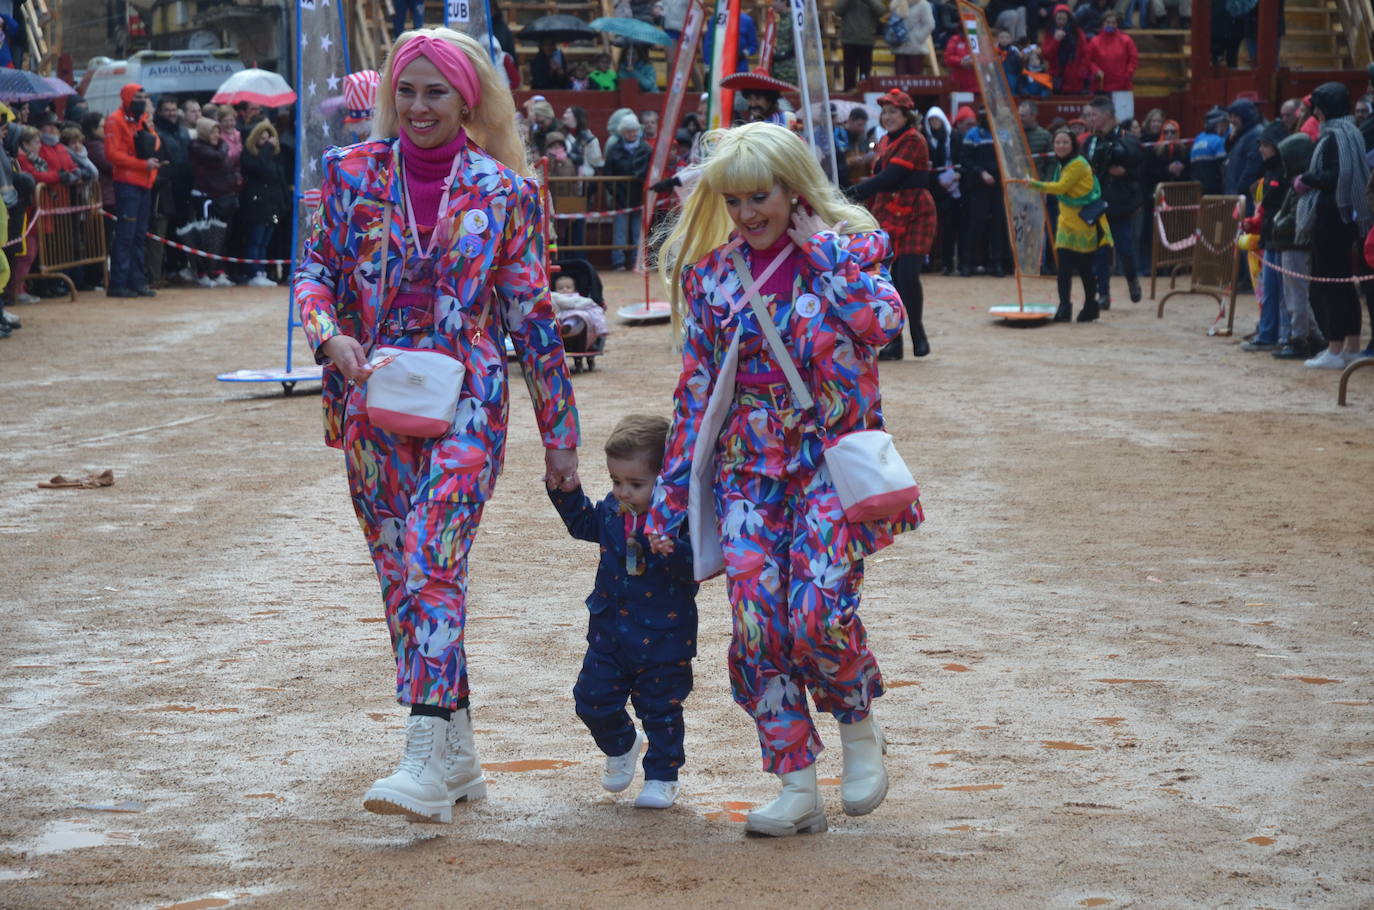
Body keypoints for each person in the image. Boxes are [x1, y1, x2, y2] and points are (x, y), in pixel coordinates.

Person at [294, 26, 579, 824]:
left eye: (436, 93)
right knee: (400, 579)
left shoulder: (506, 192)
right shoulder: (348, 175)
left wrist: (561, 432)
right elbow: (315, 273)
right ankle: (458, 754)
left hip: (468, 403)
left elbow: (533, 317)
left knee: (431, 557)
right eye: (407, 91)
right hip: (372, 399)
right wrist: (328, 335)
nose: (419, 108)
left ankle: (422, 749)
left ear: (468, 99)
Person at [649, 121, 921, 838]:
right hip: (746, 468)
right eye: (733, 201)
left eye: (760, 196)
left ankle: (860, 728)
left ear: (793, 187)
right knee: (756, 622)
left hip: (829, 461)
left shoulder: (851, 246)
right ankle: (794, 780)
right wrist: (672, 494)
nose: (746, 214)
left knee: (818, 613)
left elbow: (881, 323)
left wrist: (822, 248)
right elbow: (696, 392)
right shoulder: (711, 274)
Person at [547, 414, 698, 811]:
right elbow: (583, 524)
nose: (623, 492)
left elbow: (701, 566)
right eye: (616, 481)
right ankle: (621, 744)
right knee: (590, 698)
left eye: (635, 484)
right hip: (610, 634)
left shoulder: (681, 522)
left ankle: (663, 777)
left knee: (662, 711)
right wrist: (566, 493)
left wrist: (674, 550)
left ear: (666, 481)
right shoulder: (614, 512)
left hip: (665, 639)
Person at [851, 89, 935, 359]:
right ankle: (895, 342)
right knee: (890, 279)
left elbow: (892, 176)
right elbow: (881, 179)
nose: (887, 117)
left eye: (893, 112)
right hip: (887, 210)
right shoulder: (886, 140)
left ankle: (918, 334)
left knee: (908, 276)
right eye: (885, 112)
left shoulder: (914, 139)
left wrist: (852, 192)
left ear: (907, 115)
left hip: (913, 210)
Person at [1294, 81, 1371, 369]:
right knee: (1345, 285)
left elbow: (1336, 176)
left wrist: (1306, 179)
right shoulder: (1352, 132)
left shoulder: (1334, 137)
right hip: (1348, 217)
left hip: (1332, 218)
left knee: (1330, 284)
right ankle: (1351, 345)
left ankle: (1335, 349)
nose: (1314, 111)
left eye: (1317, 106)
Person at [1022, 128, 1111, 321]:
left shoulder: (1078, 164)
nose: (1060, 146)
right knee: (1063, 269)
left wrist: (1035, 184)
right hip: (1066, 222)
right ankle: (1064, 307)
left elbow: (1061, 188)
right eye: (1057, 142)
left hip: (1083, 224)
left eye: (1065, 142)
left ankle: (1090, 305)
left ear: (1073, 145)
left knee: (1085, 269)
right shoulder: (1061, 165)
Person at [1082, 94, 1143, 306]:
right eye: (1087, 115)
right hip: (1097, 202)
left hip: (1120, 203)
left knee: (1124, 247)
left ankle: (1132, 279)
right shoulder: (1090, 141)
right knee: (1100, 250)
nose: (1089, 119)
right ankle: (1103, 295)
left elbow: (1138, 165)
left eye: (1093, 115)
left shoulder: (1126, 137)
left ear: (1107, 115)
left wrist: (1125, 171)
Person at [103, 83, 161, 298]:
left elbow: (155, 143)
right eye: (138, 96)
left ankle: (137, 281)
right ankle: (118, 282)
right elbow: (112, 154)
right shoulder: (115, 120)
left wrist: (149, 131)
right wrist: (141, 164)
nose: (142, 100)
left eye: (144, 97)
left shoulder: (142, 120)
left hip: (144, 183)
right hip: (128, 183)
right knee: (126, 236)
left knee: (138, 235)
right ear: (127, 97)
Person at [1238, 121, 1291, 352]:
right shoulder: (1269, 169)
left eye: (1266, 145)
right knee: (1270, 290)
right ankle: (1269, 333)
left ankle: (1285, 336)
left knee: (1283, 292)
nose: (1261, 149)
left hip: (1282, 238)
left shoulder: (1285, 170)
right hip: (1269, 237)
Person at [1269, 132, 1322, 360]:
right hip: (1292, 245)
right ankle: (1316, 337)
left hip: (1294, 245)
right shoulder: (1298, 183)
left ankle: (1299, 338)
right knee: (1298, 294)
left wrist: (1278, 225)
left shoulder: (1302, 186)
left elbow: (1295, 217)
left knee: (1296, 296)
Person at [959, 110, 1011, 277]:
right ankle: (968, 263)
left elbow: (1008, 157)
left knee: (998, 224)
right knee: (976, 224)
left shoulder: (1002, 133)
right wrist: (981, 172)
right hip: (978, 185)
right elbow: (965, 159)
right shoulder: (972, 134)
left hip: (998, 185)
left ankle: (996, 263)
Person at [239, 120, 288, 287]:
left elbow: (279, 181)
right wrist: (267, 149)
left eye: (269, 138)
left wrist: (283, 204)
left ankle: (262, 271)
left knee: (265, 242)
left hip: (272, 206)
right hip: (256, 206)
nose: (266, 142)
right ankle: (254, 272)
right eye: (262, 139)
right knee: (255, 241)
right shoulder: (248, 156)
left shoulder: (275, 158)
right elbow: (260, 168)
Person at [605, 114, 650, 270]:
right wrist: (615, 193)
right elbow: (608, 174)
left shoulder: (645, 148)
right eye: (629, 131)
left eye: (634, 131)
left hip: (640, 196)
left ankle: (637, 261)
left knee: (638, 231)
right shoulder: (613, 149)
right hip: (621, 196)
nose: (632, 134)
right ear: (622, 132)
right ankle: (618, 262)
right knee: (620, 232)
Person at [927, 106, 961, 275]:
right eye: (931, 121)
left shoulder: (953, 137)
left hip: (954, 188)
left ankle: (951, 263)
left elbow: (960, 160)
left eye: (937, 120)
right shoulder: (927, 140)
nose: (935, 124)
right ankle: (933, 263)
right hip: (935, 189)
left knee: (952, 228)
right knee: (935, 229)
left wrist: (957, 174)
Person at [1087, 12, 1137, 121]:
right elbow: (1088, 61)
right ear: (1103, 24)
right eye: (1108, 22)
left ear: (1117, 24)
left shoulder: (1126, 40)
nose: (1111, 25)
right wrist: (1096, 70)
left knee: (1124, 119)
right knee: (1102, 119)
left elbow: (1133, 59)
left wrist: (1127, 74)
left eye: (1113, 22)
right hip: (1102, 87)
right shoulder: (1095, 41)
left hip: (1122, 86)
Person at [834, 0, 887, 91]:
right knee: (849, 71)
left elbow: (881, 11)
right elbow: (837, 11)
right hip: (849, 39)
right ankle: (849, 91)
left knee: (865, 72)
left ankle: (864, 92)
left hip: (866, 39)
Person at [1042, 4, 1094, 94]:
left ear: (1068, 19)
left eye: (1064, 19)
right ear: (1054, 19)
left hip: (1074, 77)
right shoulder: (1050, 33)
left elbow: (1086, 53)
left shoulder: (1077, 32)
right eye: (1059, 19)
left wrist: (1081, 71)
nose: (1061, 22)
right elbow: (1047, 55)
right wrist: (1055, 41)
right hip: (1057, 78)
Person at [1223, 97, 1264, 200]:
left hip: (1244, 200)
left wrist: (1239, 191)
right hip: (1238, 198)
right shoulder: (1242, 134)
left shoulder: (1255, 135)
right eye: (1230, 116)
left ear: (1245, 116)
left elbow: (1253, 168)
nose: (1232, 120)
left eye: (1235, 116)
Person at [889, 0, 935, 76]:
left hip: (915, 48)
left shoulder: (923, 4)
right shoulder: (896, 3)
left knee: (915, 78)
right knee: (899, 78)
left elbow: (930, 24)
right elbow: (893, 22)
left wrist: (918, 37)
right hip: (899, 45)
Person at [1190, 107, 1229, 194]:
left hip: (1197, 189)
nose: (1227, 127)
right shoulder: (1219, 141)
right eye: (1225, 124)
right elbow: (1224, 169)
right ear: (1218, 125)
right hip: (1214, 190)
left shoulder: (1198, 138)